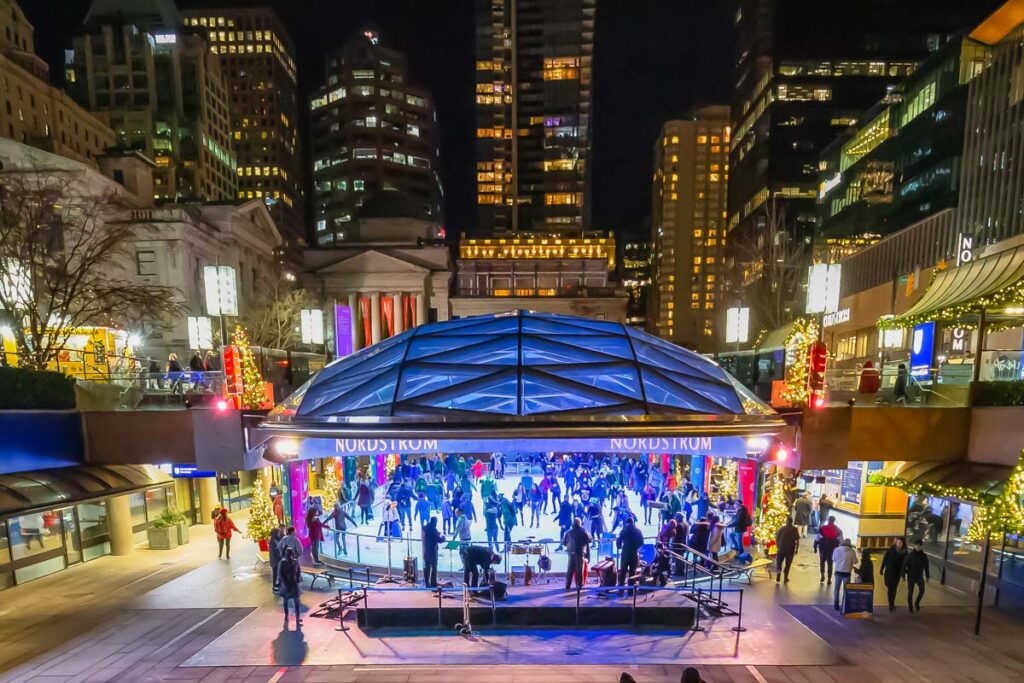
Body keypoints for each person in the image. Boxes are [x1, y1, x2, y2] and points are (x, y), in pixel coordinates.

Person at [563, 517, 592, 591]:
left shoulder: (569, 532)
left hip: (570, 553)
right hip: (579, 553)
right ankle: (579, 585)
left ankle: (567, 585)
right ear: (580, 523)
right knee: (579, 570)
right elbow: (589, 539)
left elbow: (563, 542)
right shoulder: (583, 531)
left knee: (570, 570)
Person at [616, 517, 644, 590]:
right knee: (632, 572)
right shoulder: (638, 530)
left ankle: (621, 589)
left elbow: (619, 540)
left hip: (625, 553)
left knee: (623, 571)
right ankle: (631, 590)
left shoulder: (624, 530)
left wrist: (619, 547)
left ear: (627, 522)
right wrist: (636, 547)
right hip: (634, 553)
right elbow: (641, 542)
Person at [880, 538, 908, 611]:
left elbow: (904, 565)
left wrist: (903, 574)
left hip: (897, 573)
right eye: (898, 542)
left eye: (900, 543)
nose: (899, 544)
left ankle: (891, 603)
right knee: (890, 588)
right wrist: (881, 569)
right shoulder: (891, 550)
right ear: (896, 543)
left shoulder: (904, 553)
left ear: (903, 544)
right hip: (889, 572)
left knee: (894, 589)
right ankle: (891, 603)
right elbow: (885, 559)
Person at [814, 516, 843, 584]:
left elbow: (817, 538)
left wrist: (815, 547)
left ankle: (822, 575)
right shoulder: (838, 530)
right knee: (830, 564)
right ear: (834, 521)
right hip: (832, 550)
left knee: (822, 562)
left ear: (828, 520)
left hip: (823, 548)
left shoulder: (822, 528)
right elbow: (841, 541)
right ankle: (829, 579)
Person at [278, 547, 302, 629]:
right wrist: (285, 582)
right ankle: (287, 616)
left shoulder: (294, 562)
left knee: (296, 602)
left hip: (292, 584)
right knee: (288, 602)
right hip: (287, 584)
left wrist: (297, 580)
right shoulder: (284, 562)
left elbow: (298, 571)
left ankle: (297, 617)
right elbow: (281, 573)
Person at [903, 541, 930, 612]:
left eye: (919, 546)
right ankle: (910, 606)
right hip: (911, 576)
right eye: (917, 546)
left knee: (922, 590)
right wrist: (903, 575)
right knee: (910, 592)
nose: (918, 547)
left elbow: (926, 566)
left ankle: (917, 603)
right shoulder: (910, 555)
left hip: (919, 576)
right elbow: (904, 565)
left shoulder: (924, 556)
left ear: (921, 546)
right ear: (914, 546)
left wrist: (927, 576)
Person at [832, 538, 858, 610]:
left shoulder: (836, 550)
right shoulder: (852, 552)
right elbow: (855, 561)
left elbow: (833, 559)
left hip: (838, 572)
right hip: (847, 573)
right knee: (846, 590)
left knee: (836, 589)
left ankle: (836, 605)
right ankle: (844, 605)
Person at [775, 516, 800, 583]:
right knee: (788, 564)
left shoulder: (781, 528)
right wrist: (797, 549)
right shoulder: (794, 529)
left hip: (781, 548)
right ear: (791, 522)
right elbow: (797, 540)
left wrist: (778, 545)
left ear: (786, 521)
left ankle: (778, 575)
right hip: (790, 549)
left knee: (779, 562)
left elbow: (777, 537)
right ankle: (785, 577)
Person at [421, 516, 445, 588]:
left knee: (426, 567)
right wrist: (443, 537)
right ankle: (433, 583)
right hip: (432, 551)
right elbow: (439, 540)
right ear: (435, 522)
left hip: (425, 550)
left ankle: (426, 582)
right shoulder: (433, 529)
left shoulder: (424, 527)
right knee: (434, 568)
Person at [268, 524, 284, 592]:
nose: (279, 534)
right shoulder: (272, 542)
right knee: (276, 574)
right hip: (275, 561)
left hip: (277, 561)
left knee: (278, 573)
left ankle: (279, 585)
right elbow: (275, 552)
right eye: (277, 533)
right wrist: (281, 555)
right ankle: (275, 586)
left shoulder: (276, 540)